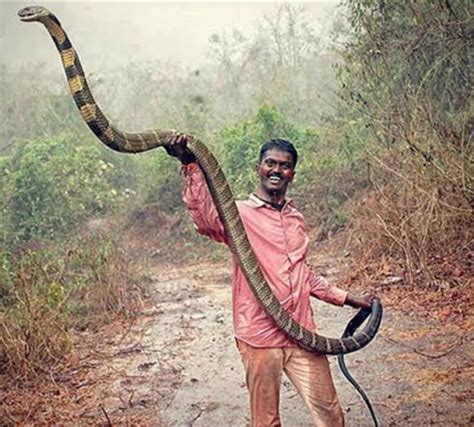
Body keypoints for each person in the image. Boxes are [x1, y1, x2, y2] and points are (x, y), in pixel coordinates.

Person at [166, 135, 373, 427]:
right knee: (266, 422)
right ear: (258, 168)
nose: (276, 170)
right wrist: (190, 164)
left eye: (284, 166)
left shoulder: (295, 219)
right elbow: (205, 220)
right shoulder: (239, 214)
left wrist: (348, 298)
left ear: (292, 174)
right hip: (259, 337)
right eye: (270, 163)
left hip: (302, 334)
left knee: (330, 414)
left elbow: (304, 274)